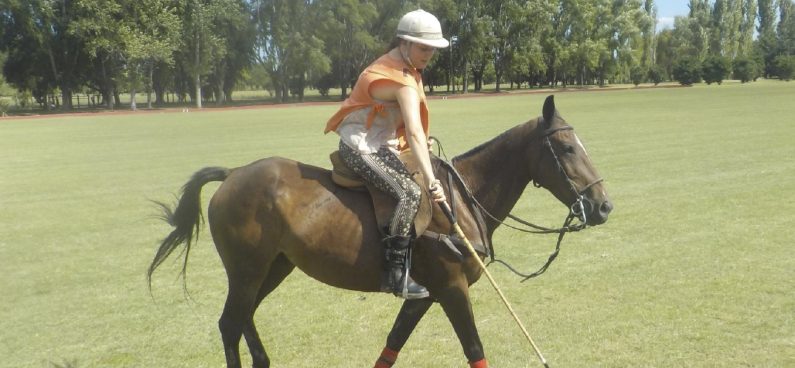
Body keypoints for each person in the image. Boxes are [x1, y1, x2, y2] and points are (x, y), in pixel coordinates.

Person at [324, 9, 449, 299]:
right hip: (360, 146)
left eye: (432, 49)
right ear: (403, 43)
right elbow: (416, 133)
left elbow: (407, 129)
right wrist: (433, 182)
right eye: (423, 47)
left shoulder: (407, 69)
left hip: (382, 143)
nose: (428, 54)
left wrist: (416, 143)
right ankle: (395, 275)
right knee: (410, 193)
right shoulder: (398, 79)